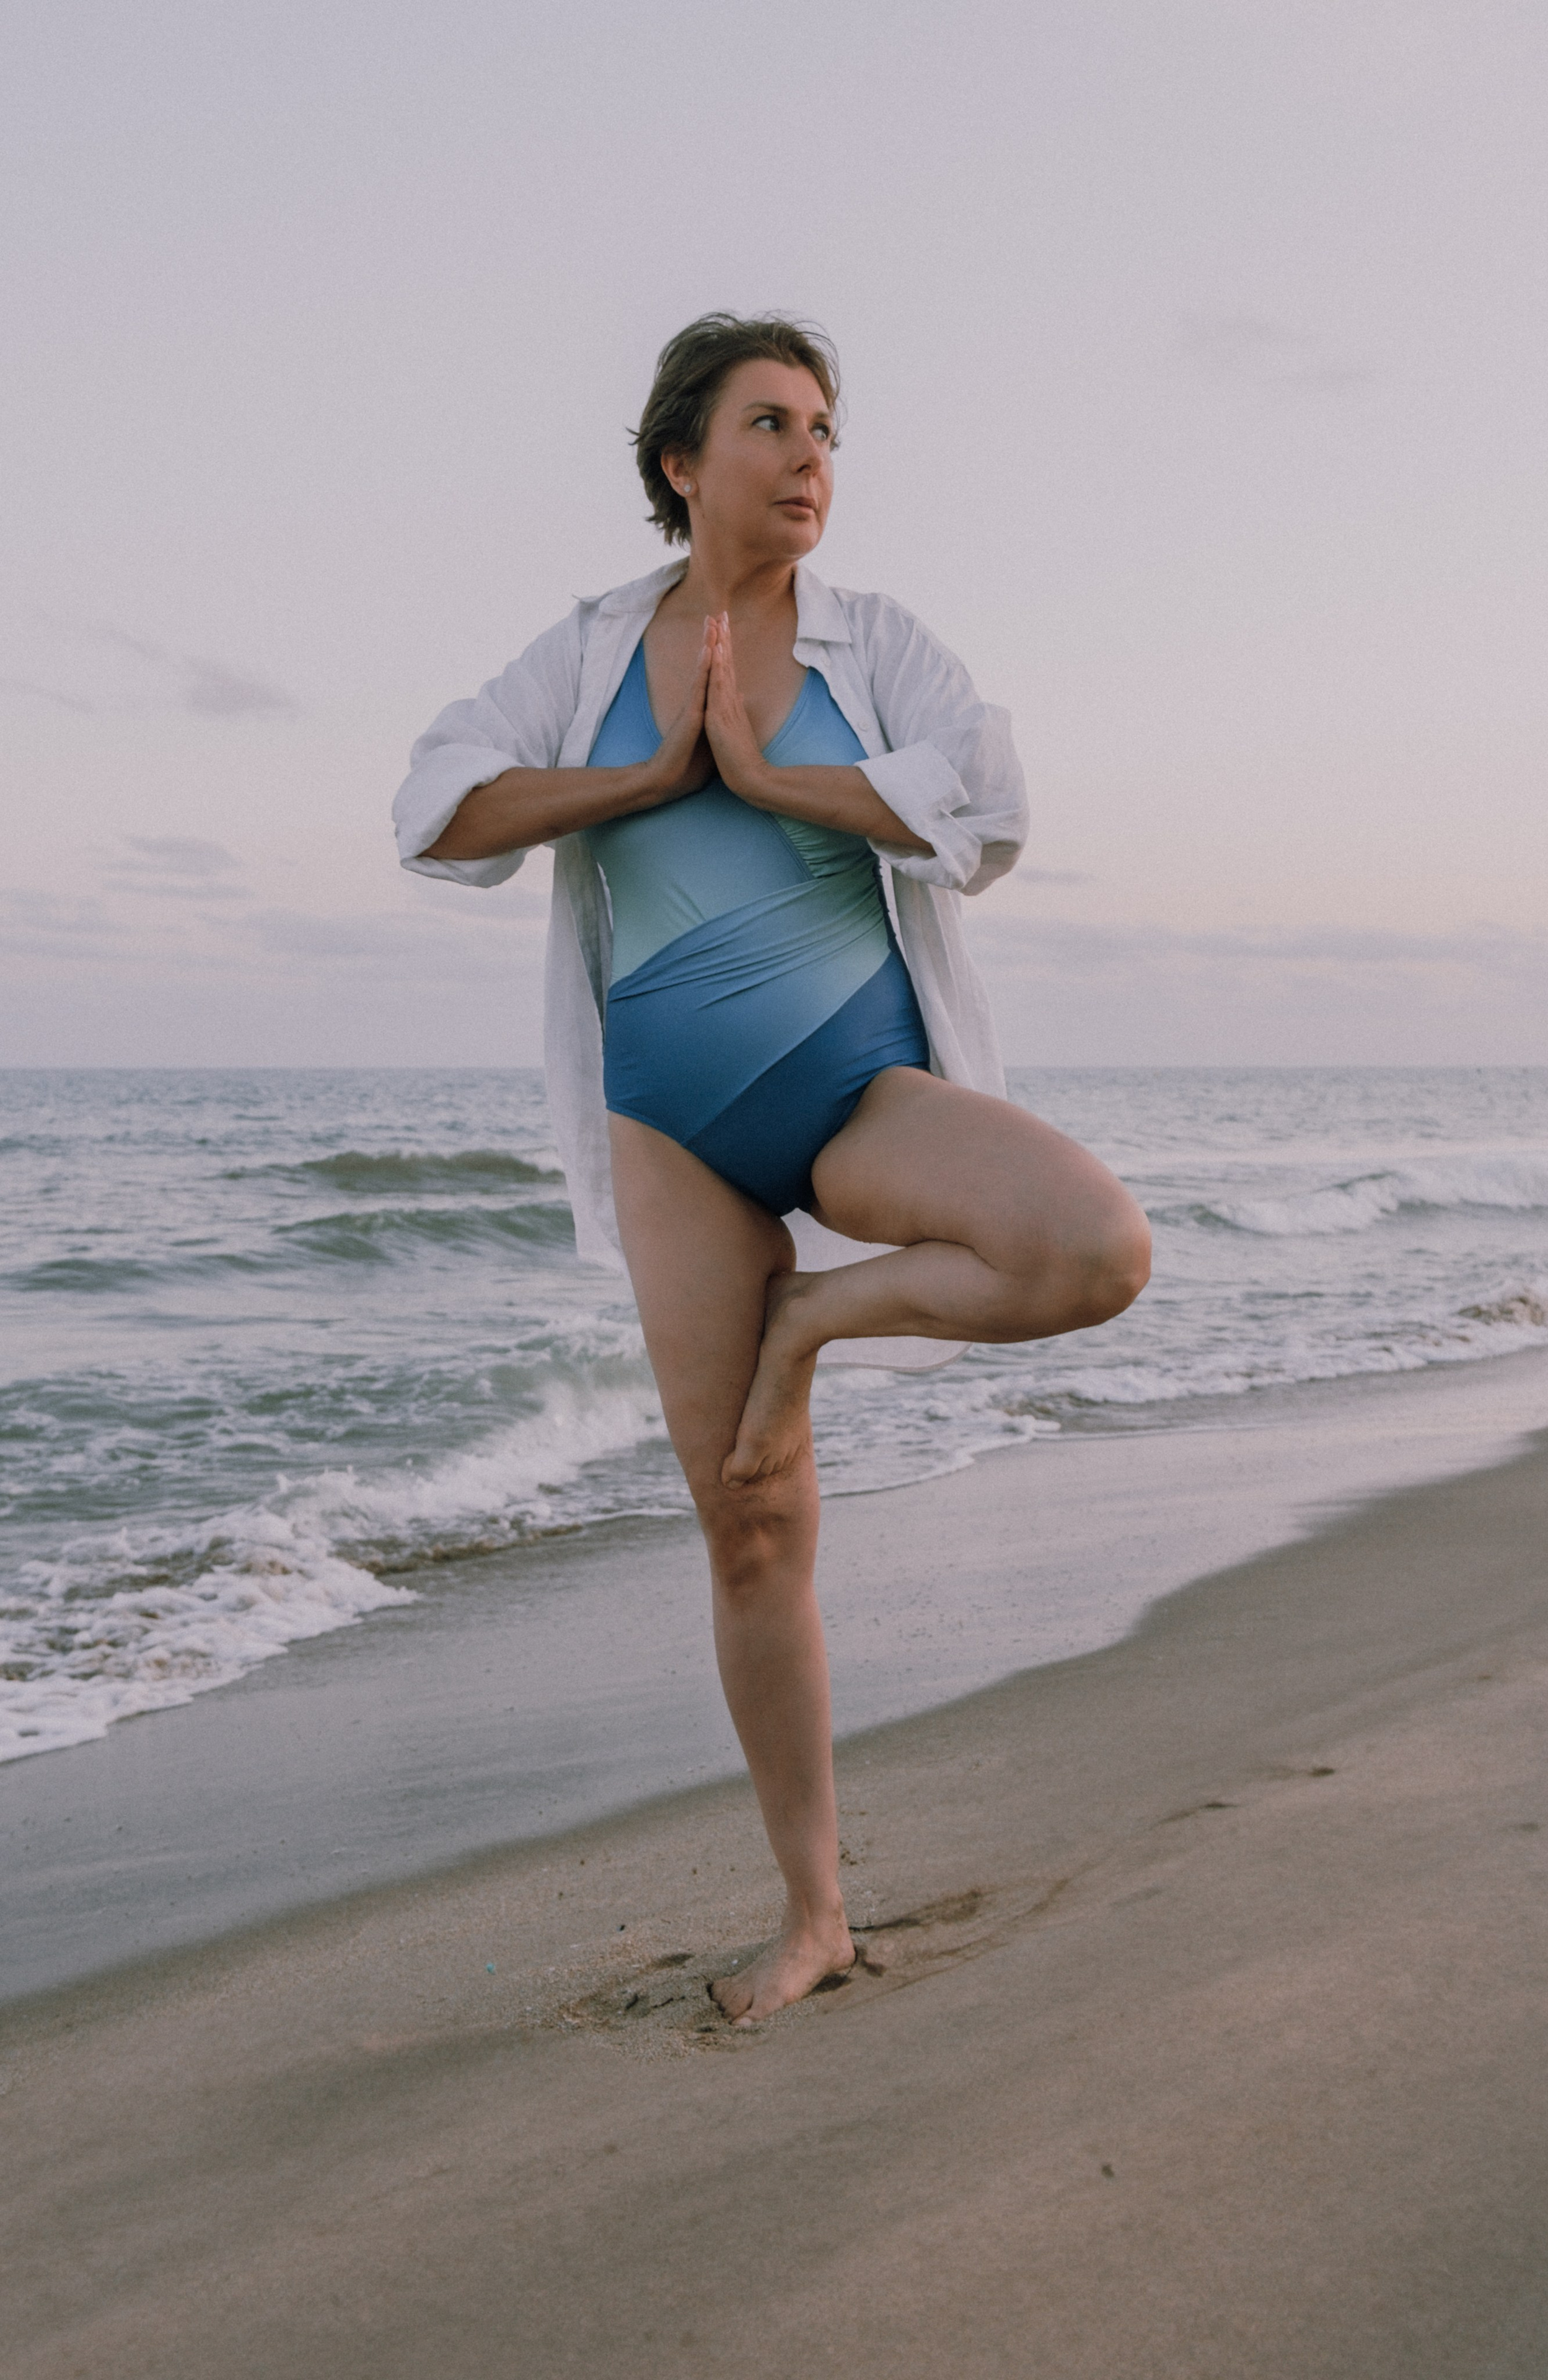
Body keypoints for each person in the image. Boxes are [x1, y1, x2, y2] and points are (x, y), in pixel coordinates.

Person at [394, 313, 1151, 2024]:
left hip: (858, 1084)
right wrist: (649, 775)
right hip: (673, 1123)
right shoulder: (587, 652)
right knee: (751, 1530)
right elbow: (433, 807)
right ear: (682, 461)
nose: (813, 457)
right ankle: (813, 1916)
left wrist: (774, 780)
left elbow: (994, 803)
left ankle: (809, 1322)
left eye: (824, 428)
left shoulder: (874, 642)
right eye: (771, 424)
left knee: (1093, 1247)